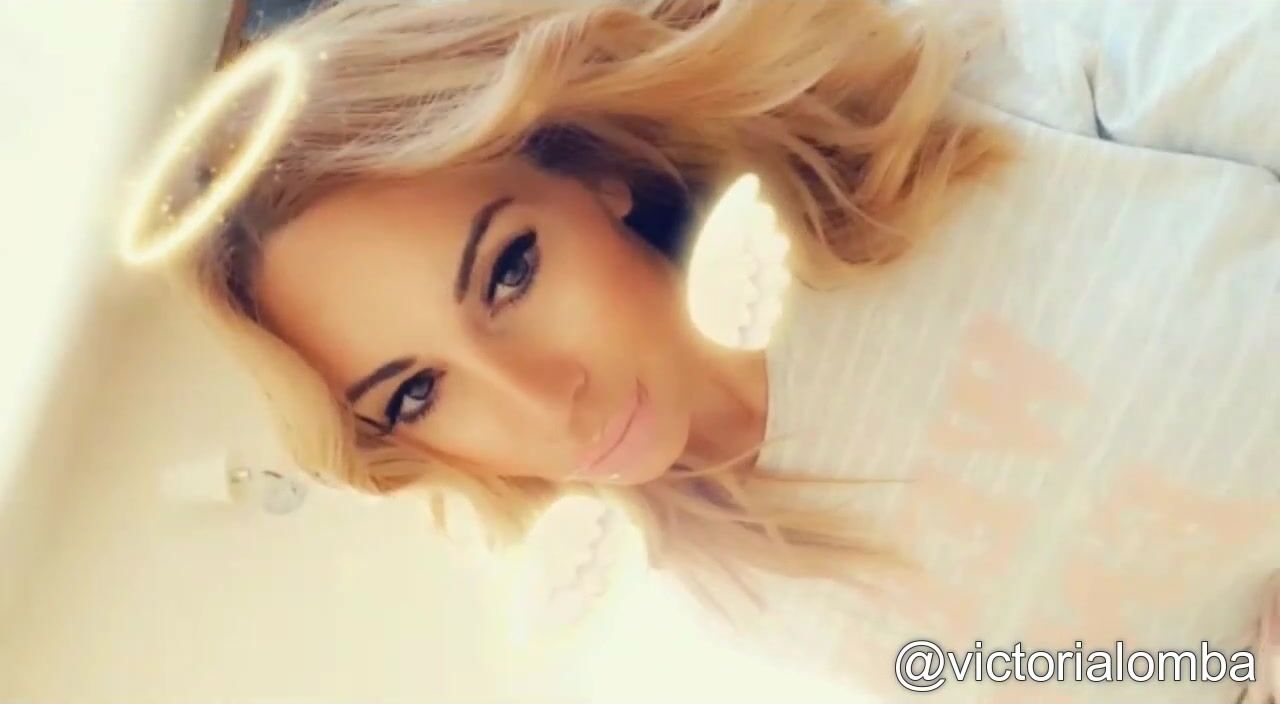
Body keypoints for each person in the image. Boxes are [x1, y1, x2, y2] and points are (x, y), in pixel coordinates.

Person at [147, 0, 1279, 701]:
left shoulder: (964, 86)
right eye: (416, 391)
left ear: (586, 171)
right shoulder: (728, 579)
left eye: (509, 271)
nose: (539, 404)